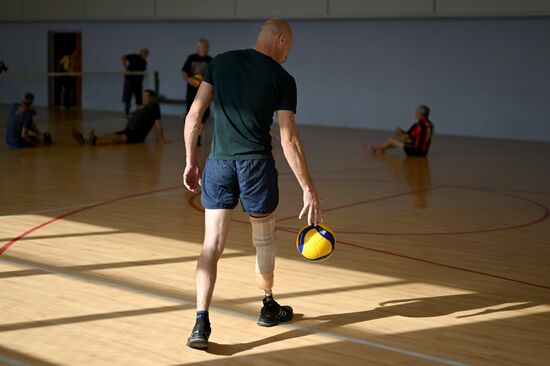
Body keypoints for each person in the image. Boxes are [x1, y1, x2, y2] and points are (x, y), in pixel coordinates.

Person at [183, 19, 323, 350]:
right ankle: (268, 305)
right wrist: (308, 188)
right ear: (282, 39)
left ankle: (201, 322)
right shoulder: (283, 78)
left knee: (211, 246)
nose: (289, 52)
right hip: (256, 165)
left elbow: (194, 117)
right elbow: (289, 138)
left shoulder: (220, 62)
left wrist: (191, 161)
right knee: (264, 240)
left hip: (217, 164)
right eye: (289, 46)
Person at [72, 89, 167, 145]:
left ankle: (95, 142)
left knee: (118, 138)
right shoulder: (142, 107)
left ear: (152, 98)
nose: (144, 98)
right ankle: (85, 140)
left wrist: (161, 139)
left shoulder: (154, 107)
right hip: (130, 129)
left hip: (138, 135)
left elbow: (158, 124)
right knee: (111, 134)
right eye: (143, 96)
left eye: (146, 96)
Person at [366, 105, 434, 156]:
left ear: (420, 113)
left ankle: (374, 147)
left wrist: (399, 132)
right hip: (424, 153)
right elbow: (418, 138)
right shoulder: (431, 125)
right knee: (395, 141)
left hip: (415, 152)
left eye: (416, 111)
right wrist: (402, 133)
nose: (415, 113)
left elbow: (407, 138)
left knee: (392, 140)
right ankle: (376, 147)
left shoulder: (418, 125)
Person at [181, 38, 212, 146]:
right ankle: (191, 136)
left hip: (205, 92)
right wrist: (188, 79)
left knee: (204, 115)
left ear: (207, 48)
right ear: (197, 47)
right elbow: (183, 71)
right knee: (191, 114)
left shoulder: (210, 60)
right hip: (192, 92)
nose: (203, 49)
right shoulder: (191, 58)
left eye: (205, 47)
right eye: (201, 47)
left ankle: (198, 137)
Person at [122, 48, 149, 116]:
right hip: (130, 81)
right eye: (145, 53)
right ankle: (127, 113)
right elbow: (123, 57)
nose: (146, 55)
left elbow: (143, 72)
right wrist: (125, 68)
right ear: (141, 53)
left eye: (147, 54)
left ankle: (138, 114)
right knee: (127, 98)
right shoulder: (134, 56)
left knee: (139, 99)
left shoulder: (144, 62)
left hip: (138, 83)